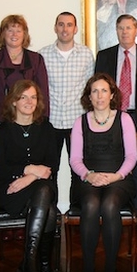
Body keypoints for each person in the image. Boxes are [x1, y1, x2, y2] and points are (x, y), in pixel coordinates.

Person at [69, 73, 137, 272]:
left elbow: (132, 156)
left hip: (119, 179)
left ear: (112, 95)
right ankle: (88, 268)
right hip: (88, 178)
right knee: (90, 204)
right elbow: (75, 160)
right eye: (95, 91)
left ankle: (110, 268)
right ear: (89, 97)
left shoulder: (124, 119)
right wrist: (89, 175)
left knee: (109, 205)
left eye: (104, 91)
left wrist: (116, 176)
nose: (99, 96)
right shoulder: (79, 122)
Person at [0, 80, 59, 272]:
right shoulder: (3, 131)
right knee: (51, 212)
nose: (29, 102)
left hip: (40, 186)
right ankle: (43, 265)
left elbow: (51, 166)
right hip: (11, 189)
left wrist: (29, 177)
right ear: (13, 101)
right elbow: (0, 168)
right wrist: (29, 169)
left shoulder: (46, 127)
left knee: (44, 190)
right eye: (24, 97)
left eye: (33, 97)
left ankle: (28, 262)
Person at [95, 14, 137, 207]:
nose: (124, 32)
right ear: (116, 31)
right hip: (111, 117)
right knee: (113, 162)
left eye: (128, 28)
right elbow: (97, 87)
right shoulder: (104, 56)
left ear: (136, 30)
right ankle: (116, 206)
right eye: (120, 28)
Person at [39, 11, 94, 204]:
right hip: (50, 122)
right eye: (61, 24)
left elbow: (90, 89)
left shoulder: (86, 54)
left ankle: (76, 211)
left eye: (69, 25)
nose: (65, 29)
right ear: (55, 28)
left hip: (76, 121)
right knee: (49, 171)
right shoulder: (43, 54)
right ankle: (50, 213)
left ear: (75, 29)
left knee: (77, 170)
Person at [0, 14, 50, 151]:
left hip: (29, 121)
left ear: (25, 34)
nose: (14, 34)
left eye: (18, 30)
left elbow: (43, 93)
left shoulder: (36, 59)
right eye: (10, 30)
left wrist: (42, 122)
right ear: (3, 34)